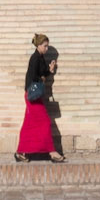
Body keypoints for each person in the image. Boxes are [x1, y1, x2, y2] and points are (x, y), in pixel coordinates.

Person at [15, 32, 64, 162]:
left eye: (47, 46)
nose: (46, 48)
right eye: (45, 46)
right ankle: (52, 152)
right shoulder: (35, 58)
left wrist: (50, 70)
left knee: (29, 124)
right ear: (38, 45)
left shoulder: (40, 57)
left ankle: (21, 152)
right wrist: (41, 78)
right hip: (33, 96)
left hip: (33, 95)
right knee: (45, 122)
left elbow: (41, 73)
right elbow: (31, 77)